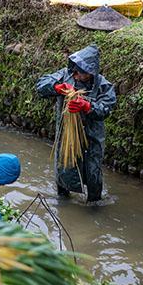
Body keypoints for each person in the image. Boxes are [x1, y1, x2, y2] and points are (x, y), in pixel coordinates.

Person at [36, 44, 116, 202]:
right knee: (65, 166)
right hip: (67, 136)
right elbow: (41, 85)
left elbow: (106, 108)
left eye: (81, 72)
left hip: (92, 138)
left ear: (90, 72)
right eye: (75, 70)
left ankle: (94, 205)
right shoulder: (65, 76)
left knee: (93, 172)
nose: (76, 75)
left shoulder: (103, 85)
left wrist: (87, 106)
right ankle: (63, 201)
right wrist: (56, 88)